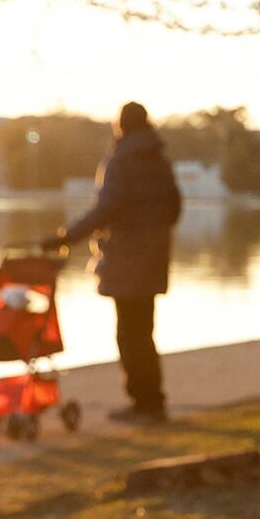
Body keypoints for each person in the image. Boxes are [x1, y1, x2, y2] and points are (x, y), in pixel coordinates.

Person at [53, 101, 182, 423]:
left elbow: (106, 208)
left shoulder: (121, 159)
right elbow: (175, 207)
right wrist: (154, 233)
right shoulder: (160, 161)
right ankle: (153, 399)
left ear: (120, 125)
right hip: (153, 257)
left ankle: (143, 402)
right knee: (144, 330)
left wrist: (67, 237)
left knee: (128, 333)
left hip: (126, 257)